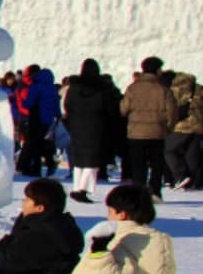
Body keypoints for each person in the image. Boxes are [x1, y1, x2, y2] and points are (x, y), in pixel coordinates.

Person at [119, 56, 175, 198]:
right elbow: (172, 112)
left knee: (138, 164)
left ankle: (139, 191)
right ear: (157, 70)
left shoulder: (133, 88)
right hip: (157, 132)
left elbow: (123, 109)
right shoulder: (163, 89)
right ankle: (155, 191)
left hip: (136, 133)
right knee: (157, 164)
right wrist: (168, 128)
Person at [61, 59, 110, 203]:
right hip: (95, 125)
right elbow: (107, 107)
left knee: (78, 159)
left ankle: (77, 187)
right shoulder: (100, 88)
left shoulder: (74, 87)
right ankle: (83, 188)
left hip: (76, 125)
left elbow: (67, 105)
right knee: (92, 159)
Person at [165, 71, 203, 190]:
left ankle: (181, 176)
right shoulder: (200, 89)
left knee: (169, 150)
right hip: (198, 126)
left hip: (181, 126)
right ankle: (193, 181)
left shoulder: (175, 89)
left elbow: (171, 107)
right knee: (192, 154)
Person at [16, 65, 59, 178]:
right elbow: (56, 105)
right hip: (48, 121)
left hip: (36, 119)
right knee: (44, 144)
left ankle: (36, 169)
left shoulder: (35, 87)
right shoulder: (52, 88)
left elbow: (28, 103)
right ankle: (49, 164)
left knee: (34, 145)